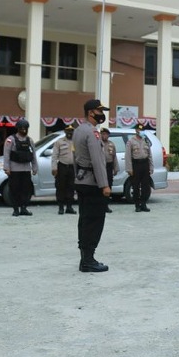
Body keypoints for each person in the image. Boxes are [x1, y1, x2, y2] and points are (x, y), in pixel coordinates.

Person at [74, 99, 111, 272]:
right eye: (99, 111)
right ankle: (88, 260)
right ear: (91, 112)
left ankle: (85, 258)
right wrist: (104, 185)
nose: (101, 114)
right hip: (93, 183)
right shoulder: (92, 133)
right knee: (94, 221)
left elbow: (76, 159)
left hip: (81, 180)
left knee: (84, 219)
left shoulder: (78, 130)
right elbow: (97, 161)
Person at [3, 118, 38, 216]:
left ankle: (24, 208)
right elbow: (6, 154)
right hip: (14, 170)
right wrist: (7, 168)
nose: (24, 130)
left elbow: (33, 155)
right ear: (18, 128)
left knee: (26, 190)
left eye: (25, 128)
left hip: (26, 169)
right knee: (14, 189)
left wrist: (35, 167)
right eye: (22, 128)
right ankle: (15, 209)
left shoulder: (29, 140)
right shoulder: (11, 139)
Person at [125, 124, 154, 212]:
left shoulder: (146, 140)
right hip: (136, 165)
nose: (140, 131)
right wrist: (129, 169)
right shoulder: (131, 141)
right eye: (138, 130)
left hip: (145, 164)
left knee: (145, 186)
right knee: (136, 186)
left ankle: (143, 203)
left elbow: (150, 155)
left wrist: (151, 167)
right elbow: (128, 156)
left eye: (141, 130)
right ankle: (137, 205)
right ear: (135, 131)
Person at [51, 124, 76, 215]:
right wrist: (54, 168)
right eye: (68, 131)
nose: (70, 132)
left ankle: (69, 207)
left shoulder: (76, 142)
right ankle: (61, 207)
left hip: (72, 168)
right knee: (60, 187)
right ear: (65, 132)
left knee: (71, 187)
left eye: (71, 131)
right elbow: (54, 156)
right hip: (62, 167)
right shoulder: (59, 142)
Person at [100, 128, 119, 213]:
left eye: (106, 134)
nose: (104, 136)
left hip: (109, 166)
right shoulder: (98, 143)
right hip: (100, 167)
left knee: (108, 185)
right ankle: (99, 206)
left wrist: (116, 168)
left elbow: (114, 157)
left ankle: (105, 205)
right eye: (103, 134)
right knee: (100, 186)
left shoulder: (111, 144)